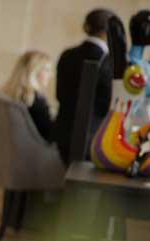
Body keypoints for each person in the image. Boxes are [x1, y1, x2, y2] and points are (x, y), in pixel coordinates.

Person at [53, 8, 115, 163]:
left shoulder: (67, 54)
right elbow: (106, 105)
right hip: (93, 139)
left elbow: (59, 95)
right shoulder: (107, 62)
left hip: (63, 134)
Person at [1, 50, 55, 141]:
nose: (51, 75)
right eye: (47, 70)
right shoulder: (35, 101)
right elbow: (48, 135)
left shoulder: (4, 95)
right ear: (33, 70)